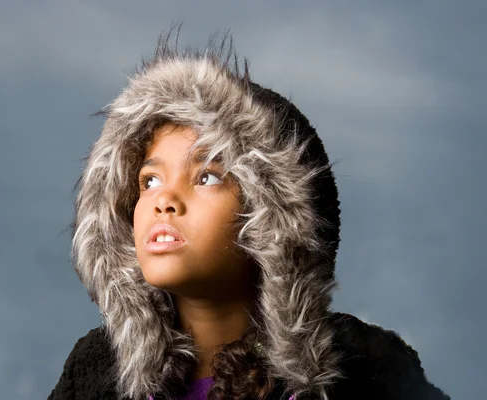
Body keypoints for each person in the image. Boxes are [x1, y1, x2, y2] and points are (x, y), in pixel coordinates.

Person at [48, 27, 450, 400]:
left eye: (206, 177)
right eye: (149, 181)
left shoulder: (365, 370)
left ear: (272, 218)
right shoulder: (96, 375)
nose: (164, 199)